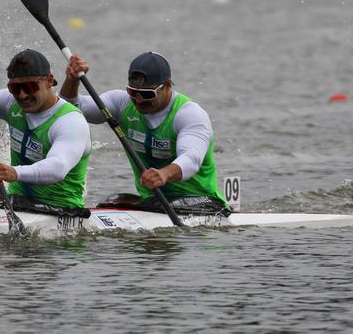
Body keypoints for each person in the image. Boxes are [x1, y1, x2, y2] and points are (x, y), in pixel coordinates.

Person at [59, 51, 229, 215]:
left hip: (201, 200)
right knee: (112, 201)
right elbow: (70, 111)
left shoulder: (189, 114)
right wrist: (72, 81)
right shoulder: (122, 103)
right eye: (133, 92)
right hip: (154, 200)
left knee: (154, 204)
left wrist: (164, 174)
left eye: (147, 94)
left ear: (168, 85)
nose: (139, 100)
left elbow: (192, 159)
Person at [0, 41, 91, 211]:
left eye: (30, 87)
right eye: (15, 88)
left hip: (61, 208)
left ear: (49, 81)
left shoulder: (69, 121)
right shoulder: (10, 103)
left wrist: (15, 172)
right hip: (17, 202)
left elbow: (58, 167)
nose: (22, 95)